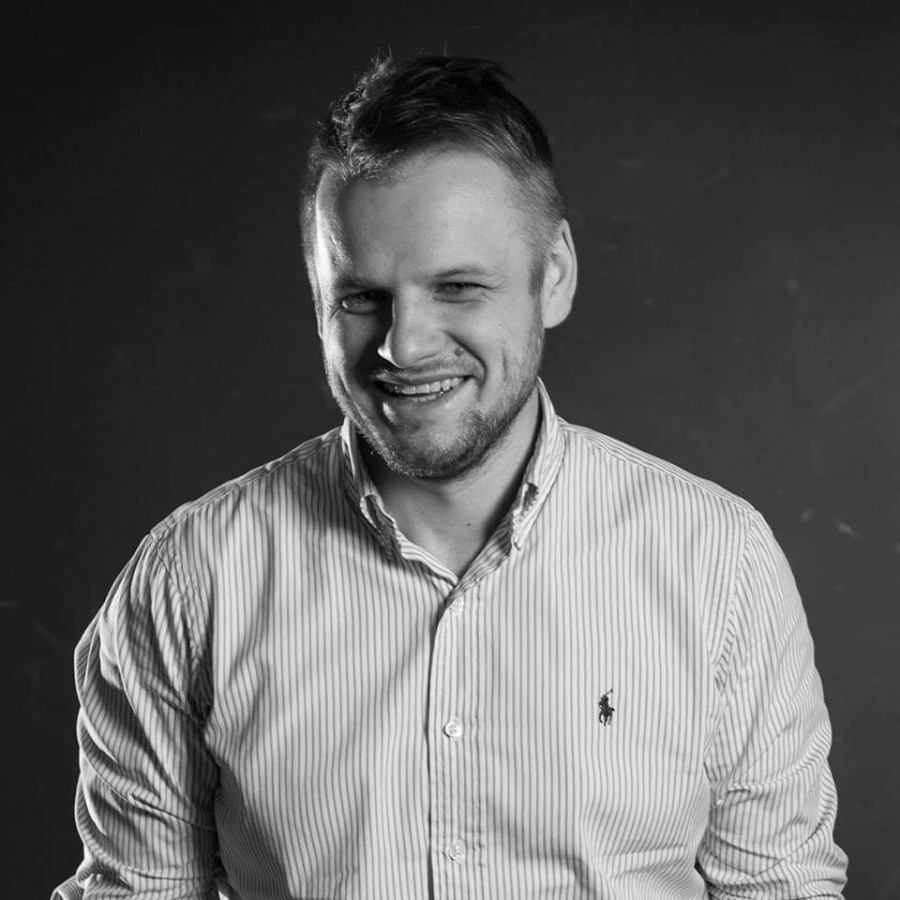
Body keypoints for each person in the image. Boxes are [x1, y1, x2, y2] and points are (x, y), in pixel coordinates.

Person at [54, 54, 848, 899]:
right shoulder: (189, 582)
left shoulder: (718, 562)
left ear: (554, 275)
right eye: (361, 298)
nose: (405, 346)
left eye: (458, 286)